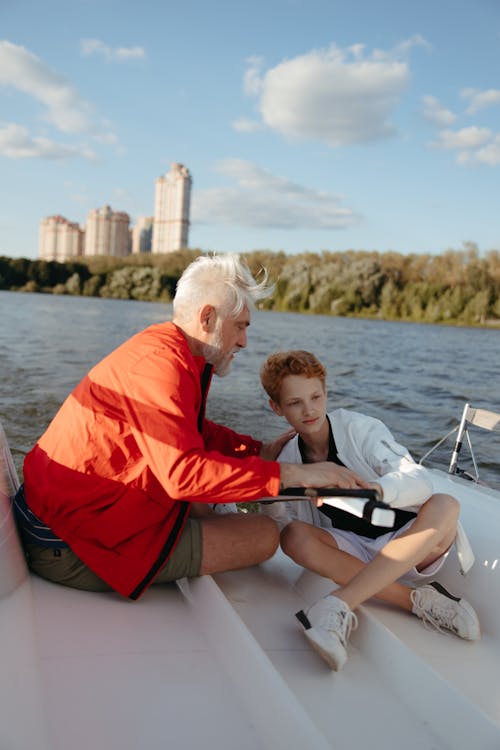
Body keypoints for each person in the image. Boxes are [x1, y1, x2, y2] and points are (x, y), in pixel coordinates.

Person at [16, 255, 368, 601]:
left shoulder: (167, 350)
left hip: (68, 517)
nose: (244, 341)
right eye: (241, 326)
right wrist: (297, 474)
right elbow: (182, 476)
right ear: (208, 317)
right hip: (69, 545)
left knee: (212, 505)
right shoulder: (162, 367)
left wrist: (256, 451)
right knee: (263, 534)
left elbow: (190, 429)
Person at [260, 350, 480, 671]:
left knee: (446, 505)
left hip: (409, 543)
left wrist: (374, 490)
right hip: (352, 551)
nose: (309, 410)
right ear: (276, 408)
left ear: (326, 393)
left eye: (316, 396)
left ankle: (339, 603)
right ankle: (416, 601)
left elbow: (418, 478)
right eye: (294, 403)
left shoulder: (358, 429)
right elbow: (278, 524)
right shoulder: (288, 459)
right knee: (294, 537)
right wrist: (268, 476)